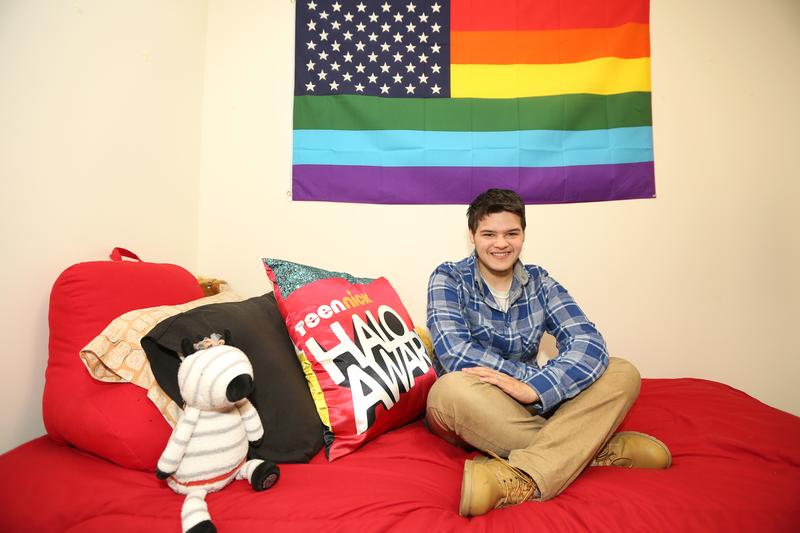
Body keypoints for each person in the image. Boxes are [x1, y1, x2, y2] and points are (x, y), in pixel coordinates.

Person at [425, 188, 670, 517]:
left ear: (523, 234)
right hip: (476, 402)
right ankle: (594, 447)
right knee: (448, 389)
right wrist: (529, 382)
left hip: (533, 405)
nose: (501, 244)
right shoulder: (449, 278)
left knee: (621, 370)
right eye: (489, 234)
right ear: (472, 237)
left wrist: (536, 389)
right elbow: (456, 354)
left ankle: (524, 474)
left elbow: (588, 341)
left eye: (511, 233)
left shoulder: (540, 282)